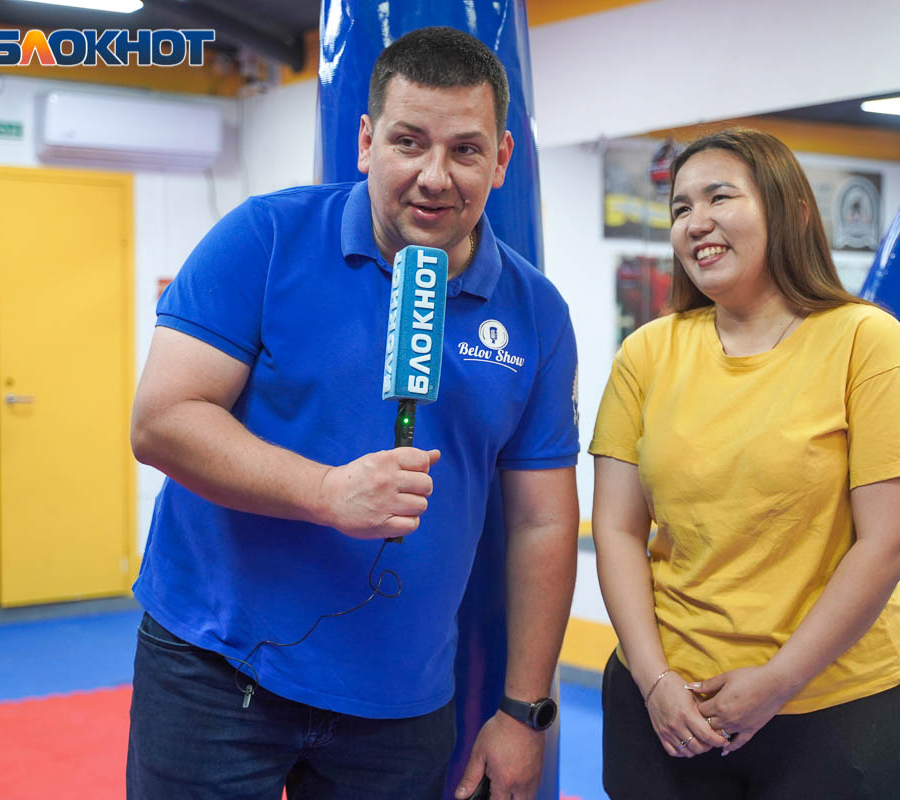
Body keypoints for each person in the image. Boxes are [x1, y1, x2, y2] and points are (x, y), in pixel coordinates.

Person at [126, 26, 579, 800]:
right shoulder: (266, 237)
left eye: (466, 150)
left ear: (502, 159)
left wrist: (523, 710)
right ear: (367, 142)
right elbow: (162, 421)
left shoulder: (536, 314)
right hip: (215, 670)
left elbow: (543, 521)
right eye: (409, 142)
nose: (434, 176)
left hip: (401, 705)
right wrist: (326, 492)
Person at [589, 129, 900, 799]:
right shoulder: (647, 353)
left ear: (792, 211)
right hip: (669, 708)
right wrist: (654, 680)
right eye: (681, 207)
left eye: (720, 197)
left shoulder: (868, 343)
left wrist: (779, 680)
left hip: (841, 710)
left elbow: (891, 540)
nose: (697, 222)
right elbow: (617, 528)